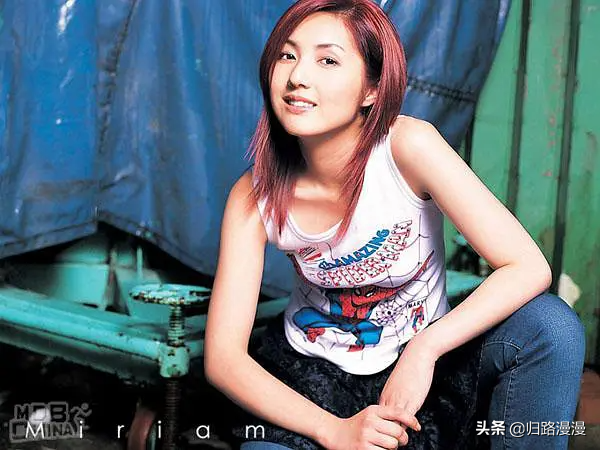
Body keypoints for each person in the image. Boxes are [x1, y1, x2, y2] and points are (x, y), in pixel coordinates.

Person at [204, 1, 586, 449]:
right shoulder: (254, 195)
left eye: (328, 60)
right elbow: (223, 360)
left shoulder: (408, 147)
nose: (298, 77)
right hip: (310, 378)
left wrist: (427, 348)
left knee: (551, 327)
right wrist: (334, 431)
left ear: (371, 90)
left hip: (426, 368)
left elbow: (528, 266)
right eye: (287, 55)